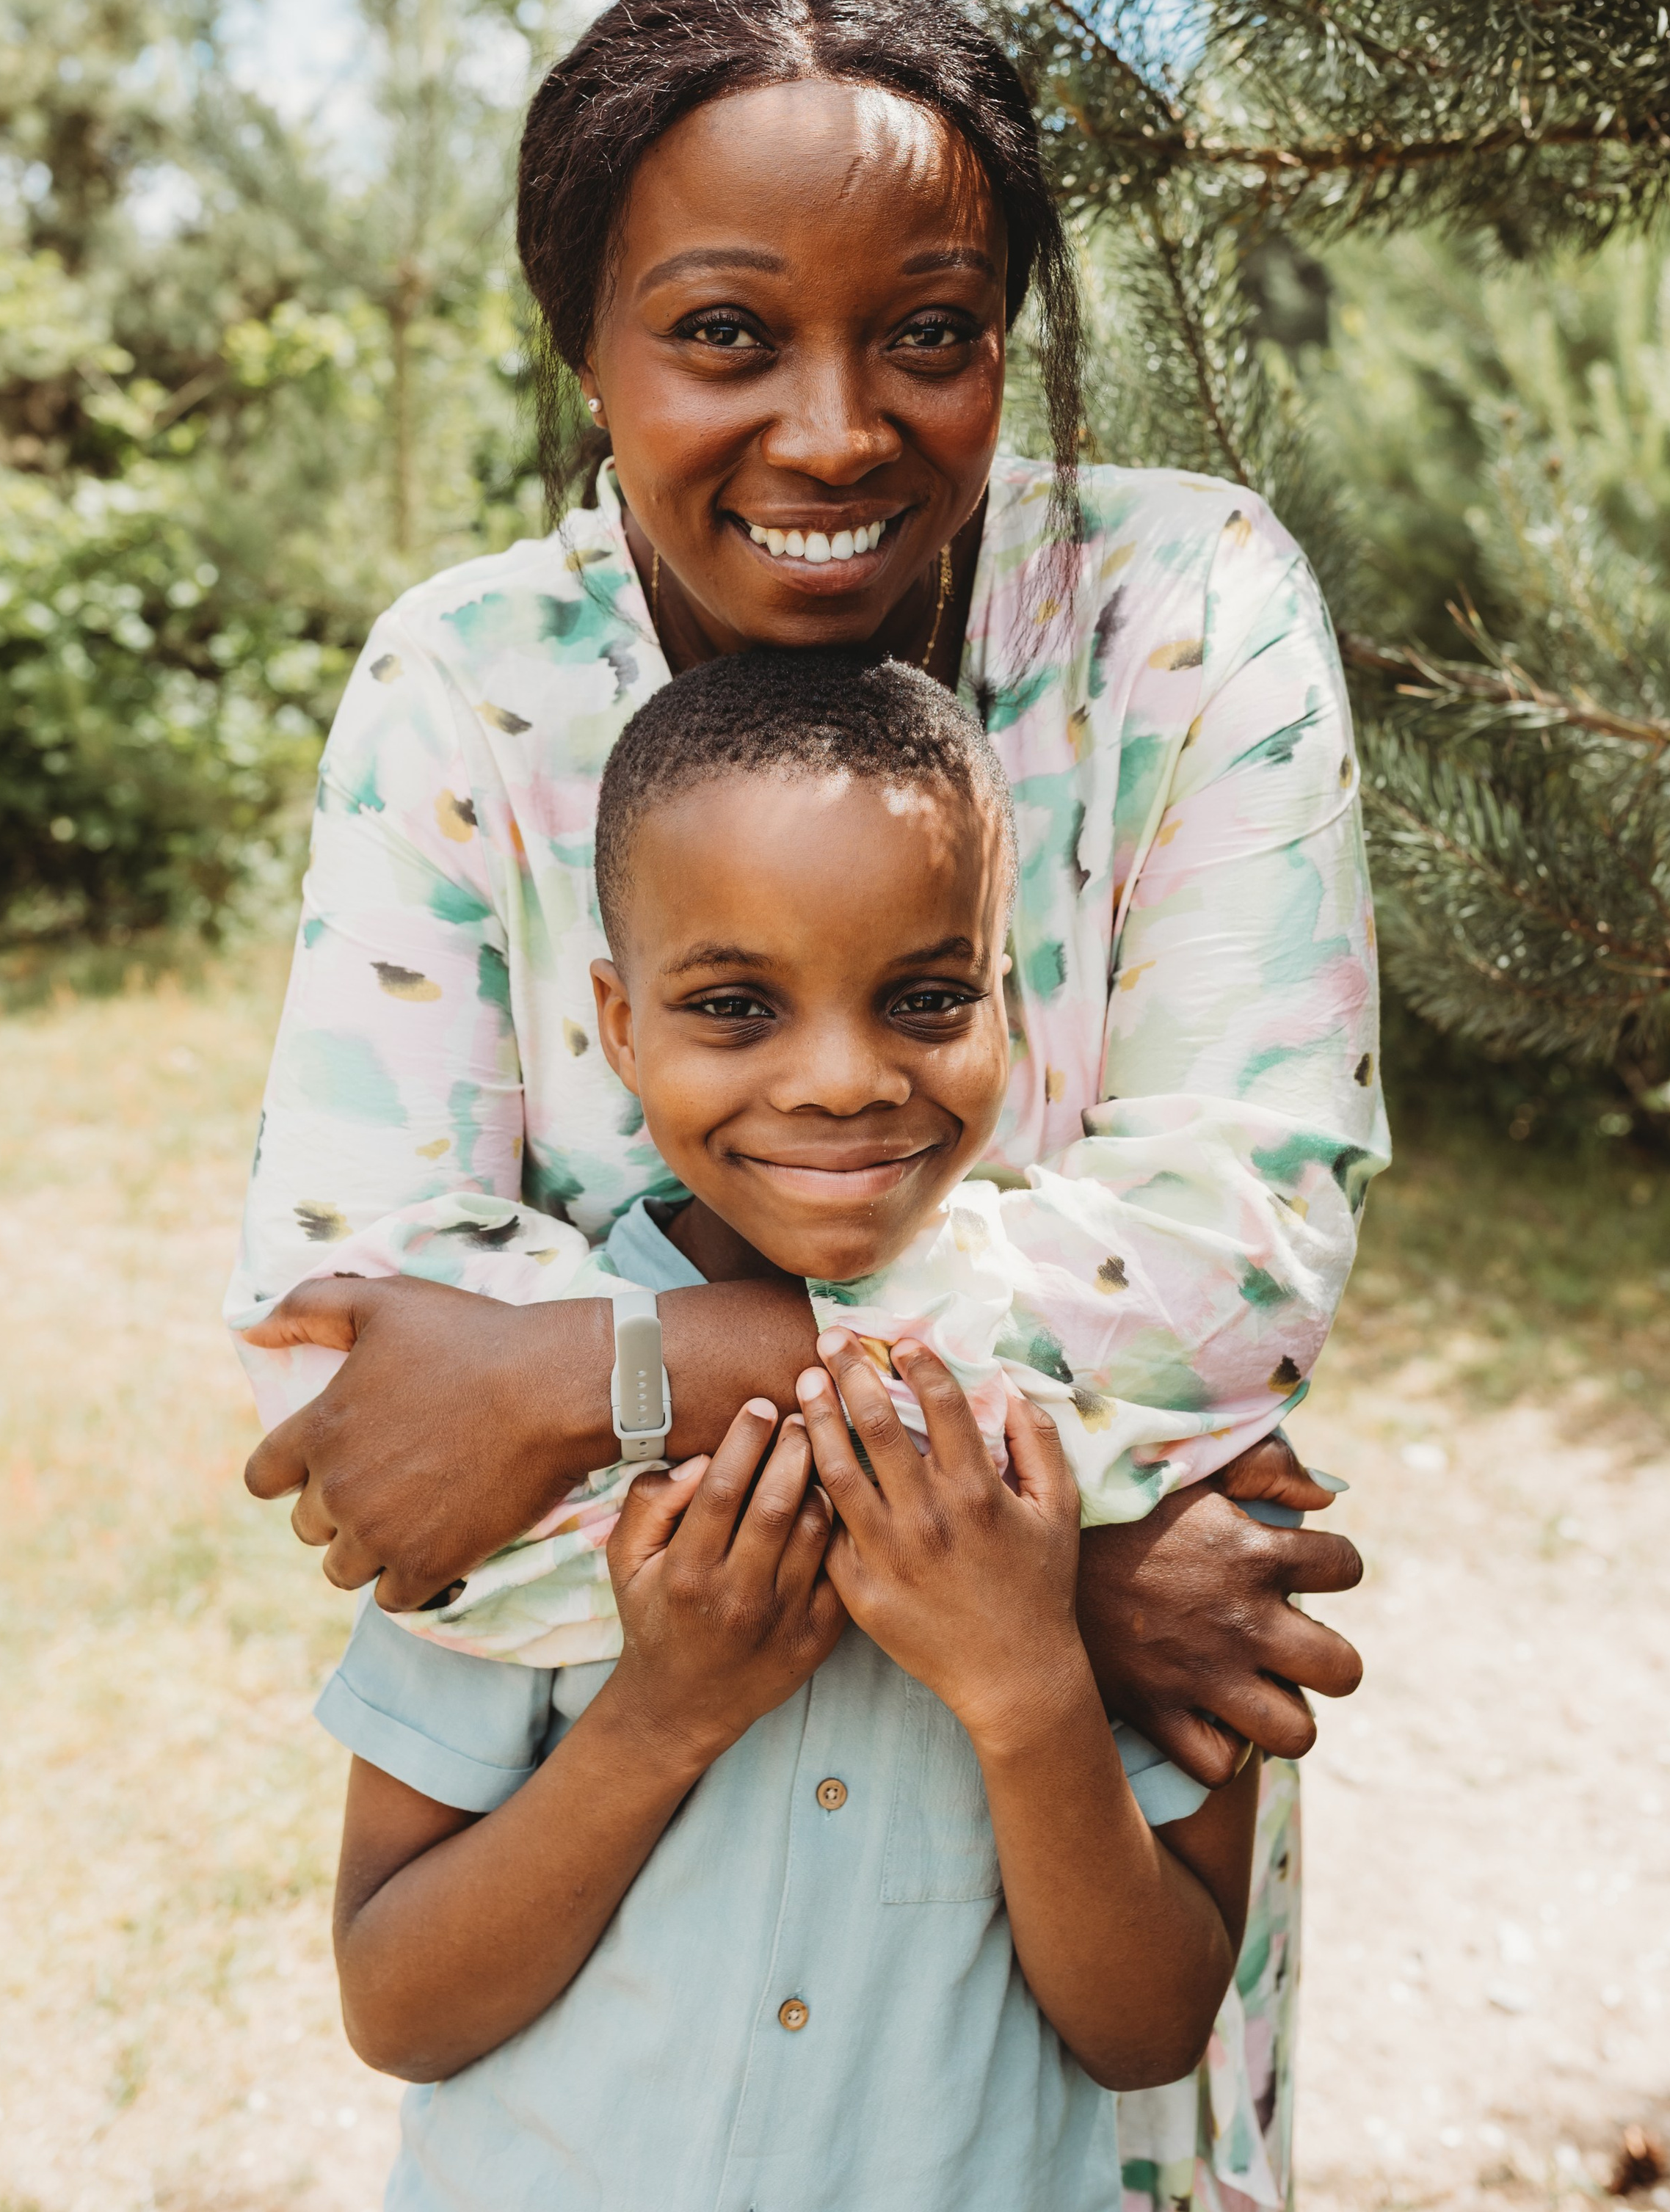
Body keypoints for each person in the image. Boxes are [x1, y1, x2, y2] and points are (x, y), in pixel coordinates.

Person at [233, 0, 1387, 2210]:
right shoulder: (468, 690)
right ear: (584, 343)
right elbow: (374, 1410)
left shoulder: (1182, 618)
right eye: (728, 333)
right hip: (617, 2011)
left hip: (1044, 2002)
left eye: (932, 332)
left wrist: (598, 1370)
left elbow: (1241, 1249)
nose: (841, 428)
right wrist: (1077, 1562)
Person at [322, 650, 1265, 2211]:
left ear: (1006, 1013)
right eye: (736, 1006)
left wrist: (1024, 1680)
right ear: (619, 1026)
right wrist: (662, 1715)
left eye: (922, 998)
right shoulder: (514, 1424)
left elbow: (1149, 2029)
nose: (839, 1080)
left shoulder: (1116, 1411)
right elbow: (396, 2006)